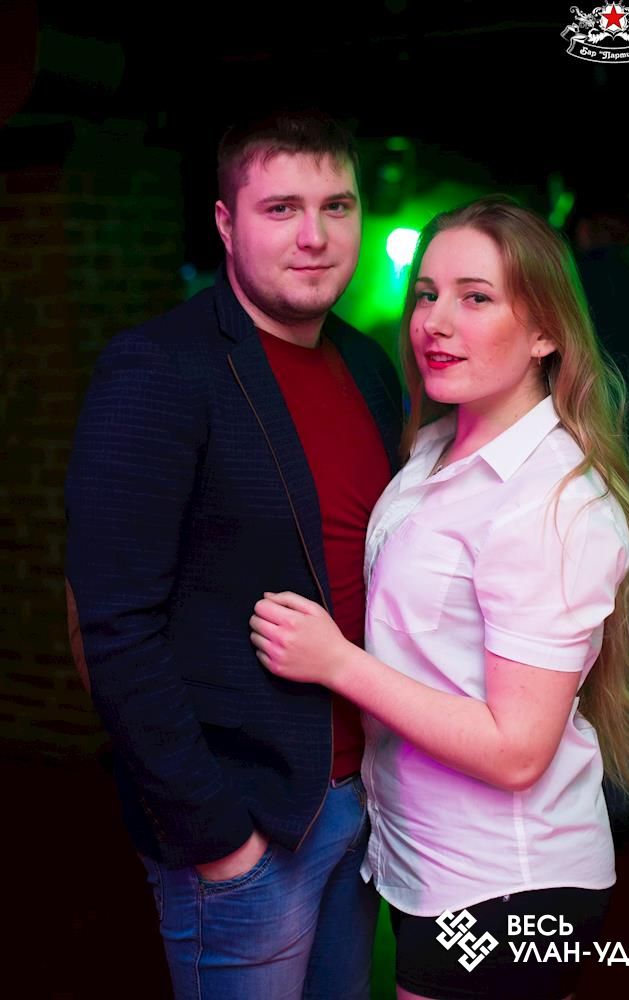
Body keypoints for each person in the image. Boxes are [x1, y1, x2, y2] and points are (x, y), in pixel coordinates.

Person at [250, 196, 629, 1000]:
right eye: (427, 294)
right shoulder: (437, 445)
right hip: (426, 865)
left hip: (505, 884)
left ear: (544, 332)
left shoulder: (551, 503)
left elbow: (516, 751)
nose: (434, 322)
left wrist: (336, 663)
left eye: (475, 297)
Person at [65, 109, 403, 1000]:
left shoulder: (369, 367)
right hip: (248, 823)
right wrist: (216, 835)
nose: (314, 236)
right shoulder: (159, 369)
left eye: (336, 206)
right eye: (281, 208)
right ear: (225, 222)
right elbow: (112, 624)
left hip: (363, 802)